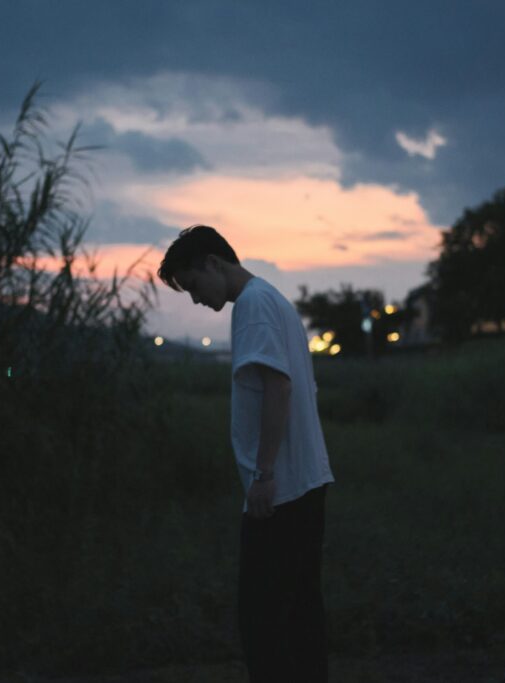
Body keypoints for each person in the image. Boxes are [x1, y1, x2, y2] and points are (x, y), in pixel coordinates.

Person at [158, 225, 335, 683]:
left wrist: (264, 474)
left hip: (282, 491)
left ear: (213, 263)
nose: (196, 300)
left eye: (194, 285)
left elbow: (278, 386)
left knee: (264, 622)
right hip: (306, 483)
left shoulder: (254, 307)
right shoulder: (272, 299)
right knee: (300, 614)